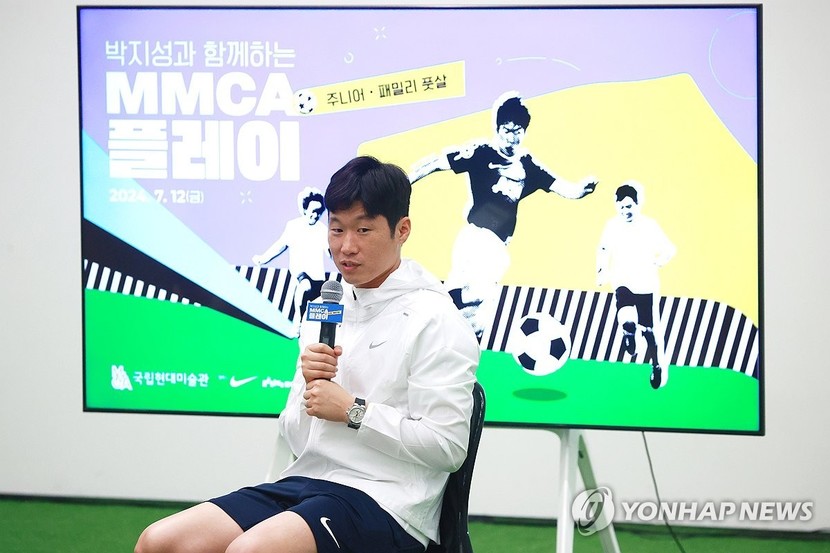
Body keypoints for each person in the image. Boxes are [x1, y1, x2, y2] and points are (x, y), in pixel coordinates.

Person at [134, 156, 480, 553]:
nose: (346, 247)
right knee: (159, 542)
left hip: (388, 501)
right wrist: (308, 389)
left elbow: (447, 447)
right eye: (337, 229)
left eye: (363, 230)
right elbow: (298, 436)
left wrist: (353, 411)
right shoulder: (326, 306)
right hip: (306, 480)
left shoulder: (436, 318)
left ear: (401, 230)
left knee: (251, 551)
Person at [408, 91, 597, 339]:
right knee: (480, 293)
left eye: (518, 131)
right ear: (497, 129)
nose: (512, 137)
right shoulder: (481, 152)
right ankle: (432, 305)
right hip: (475, 238)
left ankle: (455, 347)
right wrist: (404, 181)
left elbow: (563, 187)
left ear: (524, 132)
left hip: (499, 247)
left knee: (478, 320)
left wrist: (581, 190)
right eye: (507, 130)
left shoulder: (527, 165)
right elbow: (436, 163)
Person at [595, 181, 676, 389]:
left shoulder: (649, 225)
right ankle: (628, 333)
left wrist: (659, 261)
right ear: (617, 206)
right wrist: (601, 271)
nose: (626, 211)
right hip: (622, 280)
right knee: (626, 317)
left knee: (649, 330)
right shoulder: (612, 226)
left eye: (629, 206)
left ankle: (656, 365)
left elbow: (669, 249)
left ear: (637, 204)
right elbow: (603, 249)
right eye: (622, 207)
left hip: (645, 284)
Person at [252, 186, 329, 335]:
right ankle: (298, 324)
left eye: (319, 212)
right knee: (304, 288)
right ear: (305, 209)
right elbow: (280, 246)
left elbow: (331, 251)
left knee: (319, 311)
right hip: (301, 273)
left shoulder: (322, 230)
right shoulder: (294, 226)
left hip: (318, 277)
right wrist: (263, 259)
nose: (315, 215)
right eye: (313, 211)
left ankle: (316, 333)